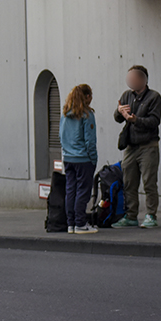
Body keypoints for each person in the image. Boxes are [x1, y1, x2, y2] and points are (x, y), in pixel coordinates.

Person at [113, 64, 161, 228]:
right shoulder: (127, 95)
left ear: (143, 80)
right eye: (129, 78)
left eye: (133, 78)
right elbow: (117, 118)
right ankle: (131, 216)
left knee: (149, 182)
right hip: (130, 146)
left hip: (148, 145)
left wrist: (135, 120)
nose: (130, 81)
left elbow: (154, 121)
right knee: (129, 182)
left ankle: (151, 215)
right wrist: (119, 111)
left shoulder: (154, 97)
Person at [59, 84, 97, 234]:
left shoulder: (65, 114)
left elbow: (61, 136)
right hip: (83, 159)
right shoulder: (87, 115)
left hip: (68, 158)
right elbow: (90, 141)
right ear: (87, 97)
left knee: (71, 190)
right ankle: (80, 223)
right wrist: (93, 159)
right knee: (83, 191)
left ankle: (71, 224)